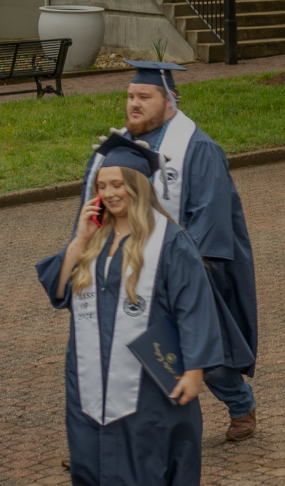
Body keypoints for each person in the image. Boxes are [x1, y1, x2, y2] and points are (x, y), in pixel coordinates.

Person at [39, 132, 234, 485]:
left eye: (118, 184)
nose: (110, 193)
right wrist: (80, 238)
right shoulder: (95, 239)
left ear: (138, 185)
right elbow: (59, 290)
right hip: (89, 383)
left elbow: (194, 306)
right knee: (91, 463)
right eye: (102, 186)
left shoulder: (170, 241)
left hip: (147, 384)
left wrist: (194, 370)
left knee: (147, 464)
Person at [79, 60, 259, 442]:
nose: (134, 104)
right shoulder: (115, 150)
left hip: (182, 265)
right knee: (121, 351)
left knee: (202, 352)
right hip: (123, 265)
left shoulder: (199, 148)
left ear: (170, 102)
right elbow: (95, 206)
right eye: (130, 96)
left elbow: (210, 216)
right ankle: (108, 434)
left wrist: (173, 266)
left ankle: (240, 402)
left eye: (144, 96)